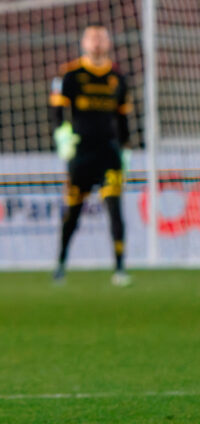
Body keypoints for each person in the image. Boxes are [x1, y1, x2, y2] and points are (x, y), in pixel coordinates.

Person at [49, 24, 132, 286]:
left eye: (101, 38)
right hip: (82, 154)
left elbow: (123, 119)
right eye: (92, 38)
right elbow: (57, 111)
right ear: (84, 43)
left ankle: (120, 268)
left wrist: (126, 148)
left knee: (115, 208)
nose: (97, 42)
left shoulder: (118, 77)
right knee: (73, 211)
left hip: (109, 154)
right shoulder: (71, 74)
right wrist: (62, 136)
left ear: (108, 43)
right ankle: (61, 264)